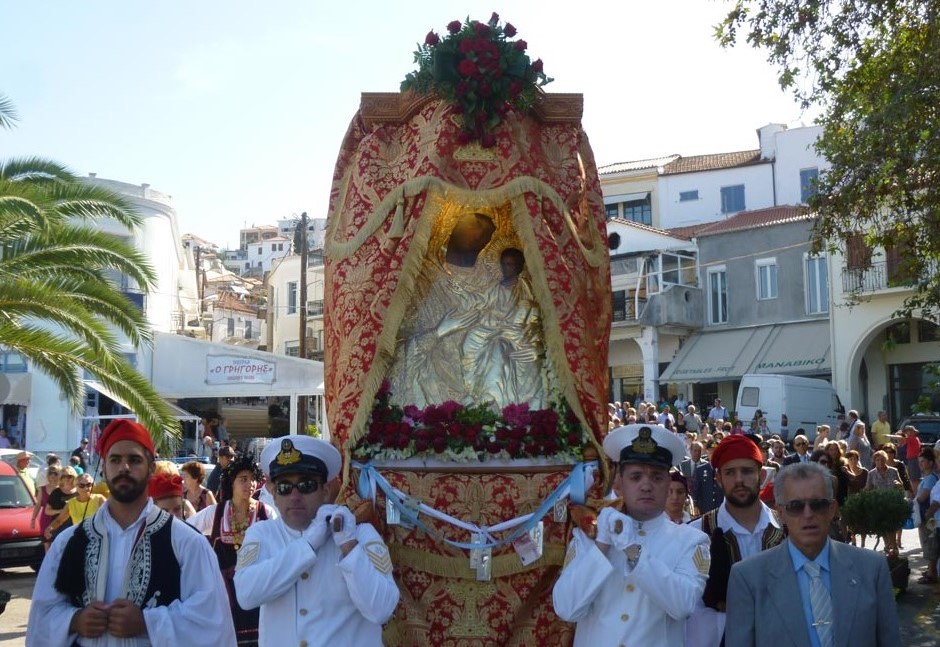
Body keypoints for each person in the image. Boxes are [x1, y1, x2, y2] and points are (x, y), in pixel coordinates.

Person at [27, 418, 236, 647]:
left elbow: (213, 622)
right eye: (115, 459)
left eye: (134, 460)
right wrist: (74, 620)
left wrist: (148, 623)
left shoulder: (186, 543)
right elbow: (41, 619)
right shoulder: (67, 543)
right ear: (104, 467)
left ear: (150, 469)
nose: (124, 467)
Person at [553, 424, 710, 645]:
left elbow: (683, 605)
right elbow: (566, 608)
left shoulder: (691, 541)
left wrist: (633, 549)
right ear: (620, 482)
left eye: (656, 477)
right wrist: (602, 546)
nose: (646, 485)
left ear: (668, 484)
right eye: (636, 477)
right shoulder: (588, 537)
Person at [234, 436, 399, 646]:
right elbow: (246, 596)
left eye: (306, 485)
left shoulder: (360, 534)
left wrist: (349, 547)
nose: (294, 496)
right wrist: (308, 544)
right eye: (284, 487)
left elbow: (381, 610)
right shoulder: (262, 535)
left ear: (325, 491)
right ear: (274, 494)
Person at [725, 462, 901, 647]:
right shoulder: (748, 577)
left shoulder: (872, 568)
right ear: (781, 513)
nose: (808, 514)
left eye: (818, 505)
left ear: (832, 509)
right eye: (795, 506)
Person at [687, 434, 785, 647]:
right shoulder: (696, 534)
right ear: (718, 479)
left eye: (747, 471)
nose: (739, 479)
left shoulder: (786, 529)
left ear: (761, 474)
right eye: (730, 472)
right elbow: (689, 610)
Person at [188, 453, 277, 645]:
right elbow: (187, 533)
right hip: (223, 599)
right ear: (232, 482)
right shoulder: (216, 512)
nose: (250, 484)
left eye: (253, 479)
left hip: (257, 596)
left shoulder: (266, 512)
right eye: (243, 479)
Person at [461, 247, 546, 408]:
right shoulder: (495, 288)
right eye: (504, 264)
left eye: (511, 264)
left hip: (514, 333)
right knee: (470, 340)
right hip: (491, 328)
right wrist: (461, 292)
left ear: (518, 266)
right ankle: (473, 389)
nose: (506, 268)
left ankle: (492, 395)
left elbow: (533, 313)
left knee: (498, 348)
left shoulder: (526, 288)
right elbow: (479, 301)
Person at [915, 448, 939, 584]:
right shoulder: (928, 477)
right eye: (919, 462)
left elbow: (923, 497)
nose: (920, 464)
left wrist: (913, 501)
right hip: (927, 516)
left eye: (923, 461)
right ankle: (931, 570)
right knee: (928, 542)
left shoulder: (930, 479)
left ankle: (931, 573)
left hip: (929, 517)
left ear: (931, 462)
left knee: (930, 543)